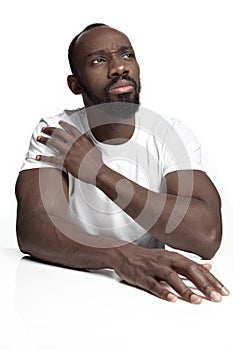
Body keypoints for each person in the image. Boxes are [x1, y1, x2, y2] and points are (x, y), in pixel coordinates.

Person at [15, 23, 229, 304]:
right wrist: (117, 255)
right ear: (75, 84)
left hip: (146, 295)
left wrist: (100, 173)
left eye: (127, 55)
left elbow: (207, 236)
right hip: (68, 291)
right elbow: (33, 227)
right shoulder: (58, 132)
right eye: (99, 60)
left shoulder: (170, 135)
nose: (119, 68)